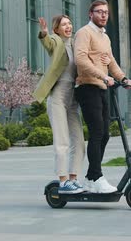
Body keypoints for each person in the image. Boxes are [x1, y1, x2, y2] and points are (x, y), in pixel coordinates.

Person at [33, 15, 107, 194]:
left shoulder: (76, 44)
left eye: (69, 23)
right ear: (57, 29)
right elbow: (48, 43)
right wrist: (44, 33)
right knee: (62, 141)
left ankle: (74, 179)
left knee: (79, 142)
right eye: (63, 24)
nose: (68, 26)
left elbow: (89, 59)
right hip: (58, 97)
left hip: (72, 99)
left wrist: (104, 61)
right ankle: (63, 181)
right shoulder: (57, 42)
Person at [74, 0, 131, 193]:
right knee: (97, 132)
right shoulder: (84, 33)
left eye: (106, 12)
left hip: (101, 88)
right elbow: (81, 60)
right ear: (90, 14)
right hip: (87, 87)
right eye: (99, 12)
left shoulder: (105, 37)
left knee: (105, 135)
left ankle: (91, 177)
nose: (103, 15)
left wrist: (123, 78)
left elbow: (111, 61)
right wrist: (104, 76)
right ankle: (96, 177)